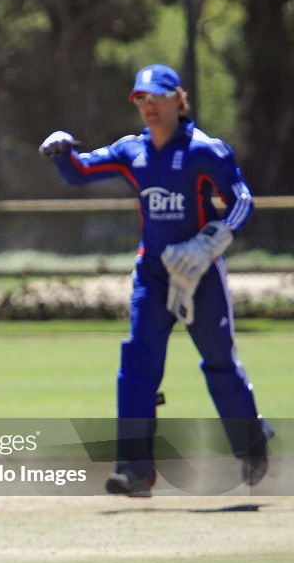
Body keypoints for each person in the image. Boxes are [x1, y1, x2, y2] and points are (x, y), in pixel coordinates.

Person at [40, 63, 271, 497]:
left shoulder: (205, 150)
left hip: (200, 274)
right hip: (153, 273)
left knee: (218, 360)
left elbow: (241, 200)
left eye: (157, 98)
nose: (149, 107)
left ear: (178, 100)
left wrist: (211, 242)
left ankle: (251, 443)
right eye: (141, 100)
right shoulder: (134, 151)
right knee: (137, 366)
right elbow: (81, 171)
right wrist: (62, 154)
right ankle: (135, 469)